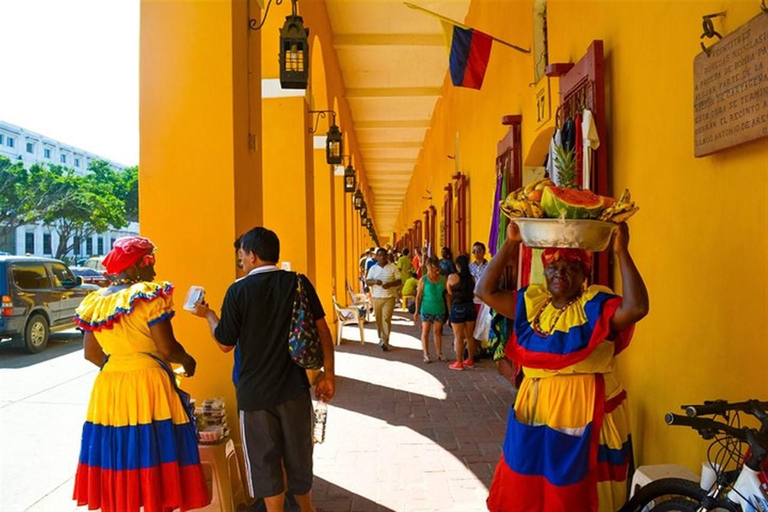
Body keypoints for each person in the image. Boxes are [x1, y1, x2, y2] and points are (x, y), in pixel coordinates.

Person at [478, 222, 649, 512]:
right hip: (536, 408)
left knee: (580, 495)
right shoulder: (534, 305)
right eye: (553, 267)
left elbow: (636, 309)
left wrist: (622, 251)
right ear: (543, 272)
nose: (560, 273)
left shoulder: (594, 305)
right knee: (529, 487)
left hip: (584, 408)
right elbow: (485, 291)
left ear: (585, 274)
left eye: (570, 267)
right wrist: (510, 243)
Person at [192, 227, 336, 512]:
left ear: (253, 255)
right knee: (299, 451)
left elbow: (224, 343)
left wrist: (208, 315)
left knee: (263, 457)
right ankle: (307, 509)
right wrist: (328, 374)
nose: (241, 261)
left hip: (254, 392)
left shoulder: (238, 291)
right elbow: (322, 331)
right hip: (293, 387)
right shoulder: (298, 283)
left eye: (242, 255)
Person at [73, 236, 209, 511]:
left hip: (110, 385)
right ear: (135, 266)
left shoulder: (95, 302)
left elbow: (91, 354)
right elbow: (167, 349)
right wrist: (188, 360)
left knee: (120, 449)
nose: (154, 271)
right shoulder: (148, 296)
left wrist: (121, 364)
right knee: (153, 446)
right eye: (150, 262)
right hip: (147, 383)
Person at [365, 247, 401, 351]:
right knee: (378, 319)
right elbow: (367, 281)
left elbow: (399, 281)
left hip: (389, 297)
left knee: (386, 319)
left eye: (384, 255)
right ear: (376, 257)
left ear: (387, 256)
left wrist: (390, 284)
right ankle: (381, 338)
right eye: (380, 255)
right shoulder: (373, 268)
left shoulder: (392, 267)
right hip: (376, 297)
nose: (382, 257)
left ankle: (385, 340)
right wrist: (375, 282)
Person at [446, 254, 477, 370]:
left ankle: (459, 362)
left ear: (457, 265)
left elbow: (449, 292)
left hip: (458, 306)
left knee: (458, 336)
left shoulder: (452, 277)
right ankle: (470, 360)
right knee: (470, 336)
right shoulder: (472, 278)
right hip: (470, 306)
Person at [414, 256, 447, 363]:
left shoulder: (443, 279)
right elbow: (418, 296)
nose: (431, 270)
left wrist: (449, 310)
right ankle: (426, 354)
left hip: (439, 308)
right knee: (425, 331)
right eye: (429, 268)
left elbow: (447, 295)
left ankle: (439, 353)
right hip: (426, 308)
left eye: (433, 268)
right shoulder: (423, 279)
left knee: (437, 332)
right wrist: (416, 311)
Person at [469, 241, 489, 317]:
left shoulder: (489, 266)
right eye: (474, 251)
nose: (476, 253)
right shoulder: (470, 267)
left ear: (484, 252)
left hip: (485, 299)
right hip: (473, 298)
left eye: (478, 251)